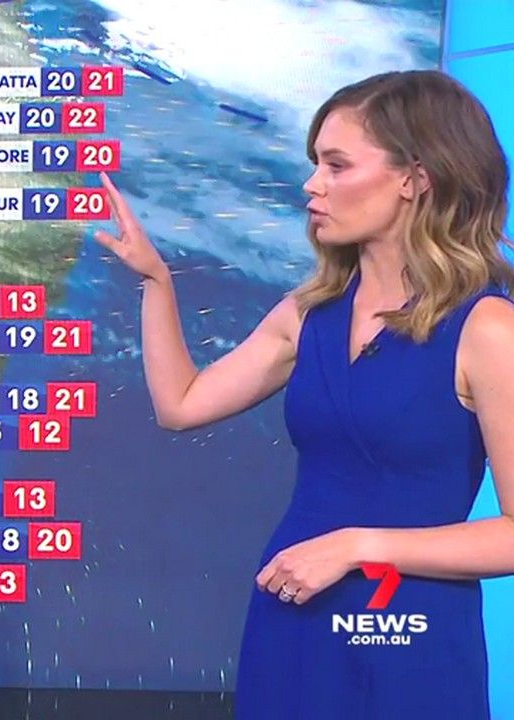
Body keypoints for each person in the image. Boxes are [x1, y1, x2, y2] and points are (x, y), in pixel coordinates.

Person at [94, 69, 514, 718]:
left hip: (406, 631)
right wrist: (156, 282)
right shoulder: (309, 314)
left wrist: (357, 547)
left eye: (337, 166)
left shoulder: (487, 330)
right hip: (293, 612)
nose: (312, 185)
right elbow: (181, 404)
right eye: (315, 163)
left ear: (415, 178)